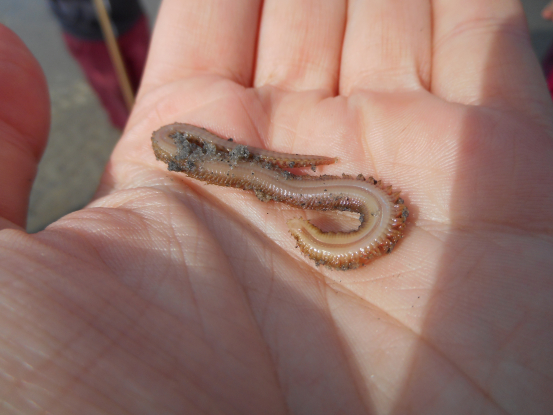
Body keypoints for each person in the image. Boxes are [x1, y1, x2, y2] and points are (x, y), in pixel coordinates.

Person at [1, 0, 553, 413]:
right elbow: (183, 147)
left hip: (261, 172)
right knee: (260, 172)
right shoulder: (191, 152)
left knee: (269, 175)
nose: (310, 233)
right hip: (235, 164)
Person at [47, 0, 150, 129]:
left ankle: (151, 117)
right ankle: (130, 128)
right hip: (86, 31)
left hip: (129, 16)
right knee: (112, 89)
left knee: (147, 73)